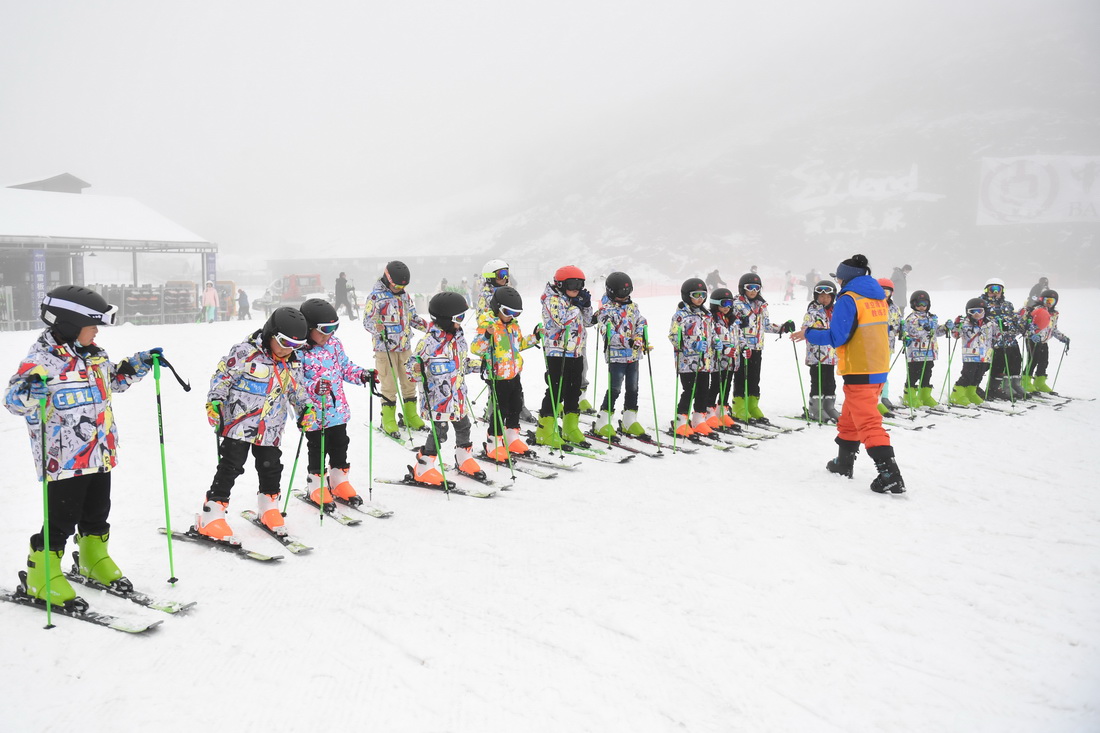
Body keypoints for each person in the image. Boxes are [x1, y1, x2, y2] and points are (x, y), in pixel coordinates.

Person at [4, 286, 159, 605]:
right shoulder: (41, 361)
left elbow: (112, 381)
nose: (96, 332)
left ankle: (93, 558)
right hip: (63, 459)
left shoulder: (95, 355)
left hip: (100, 452)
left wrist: (135, 366)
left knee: (98, 511)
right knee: (62, 518)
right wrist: (31, 392)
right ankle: (41, 573)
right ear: (70, 325)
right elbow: (13, 401)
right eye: (92, 326)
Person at [197, 307, 317, 542]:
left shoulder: (292, 362)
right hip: (239, 424)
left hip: (271, 428)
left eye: (296, 346)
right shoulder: (245, 352)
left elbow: (298, 390)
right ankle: (212, 514)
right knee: (231, 466)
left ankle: (269, 507)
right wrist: (215, 401)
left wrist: (307, 409)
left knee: (271, 467)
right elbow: (222, 377)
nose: (288, 350)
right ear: (271, 333)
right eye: (284, 343)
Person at [792, 254, 905, 494]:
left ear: (845, 277)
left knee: (867, 421)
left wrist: (810, 333)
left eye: (839, 277)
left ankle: (889, 473)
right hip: (878, 366)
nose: (839, 281)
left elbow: (837, 336)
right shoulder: (877, 297)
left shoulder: (849, 298)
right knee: (851, 417)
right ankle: (843, 463)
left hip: (860, 367)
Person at [298, 298, 377, 508]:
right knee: (318, 448)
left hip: (337, 410)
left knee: (340, 444)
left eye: (332, 330)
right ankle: (316, 485)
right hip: (314, 413)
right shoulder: (299, 351)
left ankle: (339, 481)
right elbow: (294, 381)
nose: (327, 336)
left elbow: (344, 367)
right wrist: (313, 386)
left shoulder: (334, 344)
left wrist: (361, 375)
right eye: (323, 331)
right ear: (308, 328)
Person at [406, 292, 482, 484]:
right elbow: (411, 367)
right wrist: (415, 369)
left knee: (464, 426)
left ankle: (463, 458)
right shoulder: (428, 343)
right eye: (459, 318)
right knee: (439, 433)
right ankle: (423, 466)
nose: (461, 323)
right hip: (437, 400)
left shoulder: (458, 339)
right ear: (446, 319)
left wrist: (482, 366)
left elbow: (462, 364)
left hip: (457, 397)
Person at [470, 286, 540, 460]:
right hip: (498, 375)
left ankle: (512, 437)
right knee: (501, 410)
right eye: (508, 312)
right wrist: (487, 335)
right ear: (497, 307)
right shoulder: (489, 325)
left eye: (516, 313)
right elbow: (476, 348)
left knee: (516, 405)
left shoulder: (513, 326)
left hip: (514, 373)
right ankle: (494, 442)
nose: (512, 316)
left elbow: (519, 345)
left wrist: (535, 337)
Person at [362, 261, 428, 436]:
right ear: (387, 278)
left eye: (403, 286)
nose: (399, 288)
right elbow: (367, 321)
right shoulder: (375, 297)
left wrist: (429, 327)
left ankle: (410, 415)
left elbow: (413, 318)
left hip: (405, 346)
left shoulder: (405, 297)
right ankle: (388, 419)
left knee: (409, 381)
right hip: (385, 348)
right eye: (396, 285)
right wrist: (375, 327)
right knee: (389, 384)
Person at [535, 265, 593, 448]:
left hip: (575, 350)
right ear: (560, 284)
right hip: (557, 351)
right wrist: (576, 305)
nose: (577, 288)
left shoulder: (572, 299)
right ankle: (545, 430)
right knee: (556, 390)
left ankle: (570, 427)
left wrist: (587, 305)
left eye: (580, 284)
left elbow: (589, 321)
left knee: (574, 390)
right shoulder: (551, 299)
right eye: (572, 284)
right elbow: (561, 320)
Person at [730, 272, 795, 423]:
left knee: (754, 378)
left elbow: (765, 325)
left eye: (756, 287)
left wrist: (782, 328)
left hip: (757, 347)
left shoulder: (761, 305)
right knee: (741, 378)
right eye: (750, 287)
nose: (753, 290)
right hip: (742, 348)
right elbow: (732, 326)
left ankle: (752, 406)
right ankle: (739, 407)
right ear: (742, 288)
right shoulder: (736, 304)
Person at [593, 272, 649, 438]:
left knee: (633, 388)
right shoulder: (605, 311)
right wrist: (628, 341)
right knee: (615, 388)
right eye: (620, 294)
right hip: (616, 356)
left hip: (633, 355)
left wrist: (639, 337)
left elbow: (641, 322)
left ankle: (629, 419)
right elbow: (608, 334)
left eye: (627, 292)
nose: (625, 297)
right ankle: (603, 421)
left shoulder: (633, 307)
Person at [668, 278, 717, 438]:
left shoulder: (707, 315)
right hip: (687, 362)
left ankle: (699, 419)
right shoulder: (681, 316)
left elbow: (712, 333)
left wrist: (716, 341)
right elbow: (674, 336)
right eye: (696, 295)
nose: (700, 298)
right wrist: (692, 345)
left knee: (704, 390)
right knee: (690, 390)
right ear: (687, 296)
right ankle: (681, 420)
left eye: (703, 295)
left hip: (705, 361)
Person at [801, 280, 840, 422]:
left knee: (830, 382)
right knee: (817, 381)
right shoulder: (812, 312)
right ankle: (815, 408)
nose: (824, 299)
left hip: (830, 354)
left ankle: (829, 407)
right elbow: (805, 328)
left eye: (827, 297)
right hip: (816, 354)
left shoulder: (835, 312)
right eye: (821, 297)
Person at [901, 290, 948, 408]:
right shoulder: (911, 318)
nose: (922, 307)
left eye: (924, 304)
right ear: (913, 305)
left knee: (927, 373)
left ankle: (924, 395)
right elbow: (913, 334)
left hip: (929, 352)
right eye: (919, 304)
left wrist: (945, 328)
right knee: (914, 374)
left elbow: (936, 332)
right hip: (916, 353)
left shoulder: (931, 318)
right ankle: (909, 396)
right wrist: (924, 329)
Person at [947, 298, 998, 406]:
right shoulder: (966, 323)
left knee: (979, 375)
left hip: (985, 354)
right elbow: (956, 335)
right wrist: (956, 326)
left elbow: (997, 335)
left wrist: (1003, 329)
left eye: (979, 311)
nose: (976, 314)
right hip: (971, 354)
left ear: (985, 311)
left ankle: (971, 393)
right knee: (968, 375)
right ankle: (957, 394)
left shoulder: (990, 324)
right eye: (973, 311)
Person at [980, 277, 1025, 400]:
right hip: (994, 342)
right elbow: (980, 320)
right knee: (997, 364)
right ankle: (993, 387)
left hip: (1010, 340)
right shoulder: (982, 304)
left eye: (998, 289)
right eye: (992, 289)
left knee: (1015, 362)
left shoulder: (1007, 305)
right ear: (986, 290)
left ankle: (1012, 386)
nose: (995, 292)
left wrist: (1020, 325)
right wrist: (997, 325)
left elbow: (1014, 319)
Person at [1020, 289, 1070, 393]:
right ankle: (1025, 381)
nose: (1049, 303)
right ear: (1042, 299)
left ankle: (1039, 382)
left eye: (1052, 301)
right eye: (1047, 300)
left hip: (1043, 341)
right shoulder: (1036, 310)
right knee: (1032, 360)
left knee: (1044, 361)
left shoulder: (1054, 314)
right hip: (1033, 339)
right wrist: (1031, 334)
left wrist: (1062, 338)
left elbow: (1053, 329)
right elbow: (1028, 325)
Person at [707, 287, 741, 429]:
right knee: (715, 385)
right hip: (717, 360)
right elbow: (711, 337)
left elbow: (740, 337)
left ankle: (722, 411)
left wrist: (744, 348)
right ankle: (709, 412)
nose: (727, 307)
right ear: (715, 304)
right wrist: (723, 348)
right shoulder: (712, 319)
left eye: (729, 304)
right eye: (723, 304)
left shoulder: (733, 320)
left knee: (727, 386)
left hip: (732, 361)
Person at [877, 278, 903, 415]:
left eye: (886, 291)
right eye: (881, 291)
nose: (884, 294)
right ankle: (875, 397)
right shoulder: (873, 305)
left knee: (884, 371)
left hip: (888, 345)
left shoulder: (894, 307)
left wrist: (899, 329)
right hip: (875, 345)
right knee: (876, 372)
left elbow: (898, 323)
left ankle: (884, 395)